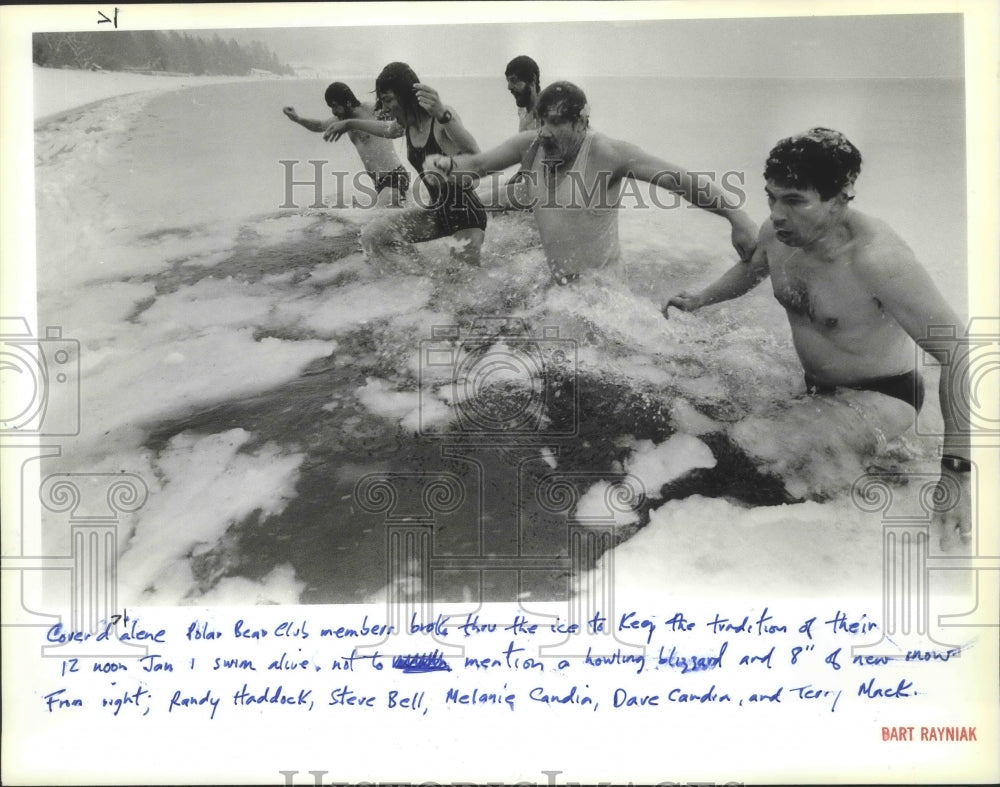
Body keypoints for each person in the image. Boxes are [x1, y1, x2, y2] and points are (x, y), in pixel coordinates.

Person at [664, 127, 971, 548]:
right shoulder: (780, 233)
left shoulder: (877, 259)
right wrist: (701, 299)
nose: (776, 213)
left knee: (747, 462)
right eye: (771, 196)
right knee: (700, 430)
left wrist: (956, 472)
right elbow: (753, 269)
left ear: (840, 199)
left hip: (882, 396)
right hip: (819, 389)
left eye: (794, 200)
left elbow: (958, 352)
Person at [426, 81, 757, 284]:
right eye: (542, 121)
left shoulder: (607, 153)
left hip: (601, 296)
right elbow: (480, 164)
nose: (544, 131)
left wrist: (736, 216)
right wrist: (448, 167)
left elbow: (680, 181)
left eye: (555, 123)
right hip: (560, 290)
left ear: (581, 122)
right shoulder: (533, 143)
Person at [321, 62, 487, 268]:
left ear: (407, 95)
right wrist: (348, 123)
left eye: (388, 100)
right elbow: (387, 129)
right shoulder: (407, 125)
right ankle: (425, 275)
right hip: (438, 213)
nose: (385, 108)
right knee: (373, 236)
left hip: (467, 217)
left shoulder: (441, 119)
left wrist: (442, 113)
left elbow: (477, 157)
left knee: (462, 281)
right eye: (382, 101)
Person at [282, 82, 408, 208]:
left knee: (374, 225)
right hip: (378, 183)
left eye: (335, 106)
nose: (333, 111)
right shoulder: (341, 120)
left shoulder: (372, 110)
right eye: (331, 107)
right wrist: (297, 119)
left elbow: (402, 119)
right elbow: (319, 125)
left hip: (395, 177)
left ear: (347, 102)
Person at [505, 55, 541, 132]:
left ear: (533, 79)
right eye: (508, 81)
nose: (509, 87)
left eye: (514, 80)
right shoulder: (522, 111)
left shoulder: (546, 113)